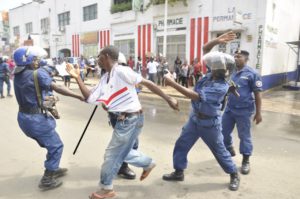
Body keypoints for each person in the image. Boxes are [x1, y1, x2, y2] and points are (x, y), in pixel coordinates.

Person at [66, 45, 179, 199]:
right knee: (122, 152)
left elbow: (148, 83)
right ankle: (147, 163)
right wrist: (77, 77)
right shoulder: (105, 77)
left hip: (131, 119)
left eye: (99, 57)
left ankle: (106, 189)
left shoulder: (121, 71)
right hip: (123, 119)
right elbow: (89, 98)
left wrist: (168, 98)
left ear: (105, 56)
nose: (97, 60)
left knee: (111, 154)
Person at [162, 32, 240, 191]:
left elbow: (194, 96)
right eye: (214, 64)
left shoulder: (221, 86)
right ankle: (179, 171)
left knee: (219, 151)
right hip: (194, 120)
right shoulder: (210, 75)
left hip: (209, 124)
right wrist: (217, 40)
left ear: (224, 70)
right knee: (182, 144)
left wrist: (171, 82)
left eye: (217, 66)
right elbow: (206, 50)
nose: (213, 66)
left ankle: (233, 173)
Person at [13, 46, 84, 190]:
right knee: (56, 146)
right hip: (36, 120)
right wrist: (79, 96)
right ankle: (47, 178)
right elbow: (57, 88)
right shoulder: (38, 74)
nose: (38, 61)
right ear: (29, 61)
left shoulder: (19, 74)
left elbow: (38, 92)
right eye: (35, 59)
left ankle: (53, 166)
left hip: (23, 118)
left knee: (50, 144)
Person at [221, 50, 263, 175]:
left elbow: (258, 94)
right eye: (234, 56)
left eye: (238, 56)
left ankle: (245, 160)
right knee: (223, 131)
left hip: (244, 111)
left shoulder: (252, 74)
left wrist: (258, 112)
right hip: (229, 109)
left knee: (244, 136)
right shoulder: (231, 71)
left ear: (246, 59)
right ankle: (229, 149)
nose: (235, 58)